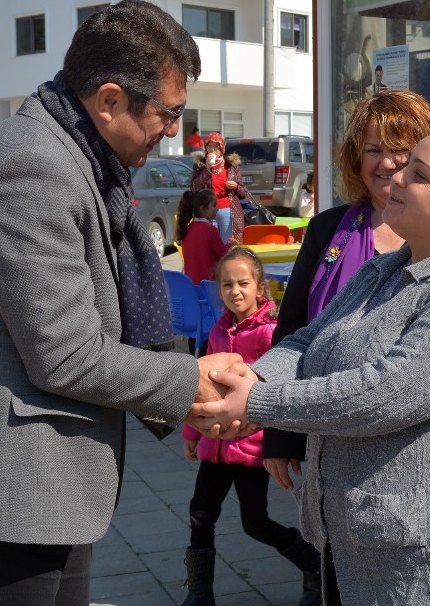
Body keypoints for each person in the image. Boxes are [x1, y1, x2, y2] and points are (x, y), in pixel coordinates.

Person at [0, 0, 242, 605]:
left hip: (46, 492)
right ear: (110, 100)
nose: (174, 131)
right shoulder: (32, 167)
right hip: (13, 497)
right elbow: (66, 355)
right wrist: (188, 377)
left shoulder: (76, 156)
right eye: (169, 113)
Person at [196, 121, 430, 603]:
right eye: (405, 165)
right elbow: (311, 338)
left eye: (420, 174)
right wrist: (255, 374)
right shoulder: (391, 265)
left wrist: (258, 400)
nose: (398, 177)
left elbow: (389, 391)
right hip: (375, 545)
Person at [262, 89, 430, 491]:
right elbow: (292, 330)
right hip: (331, 432)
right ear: (357, 157)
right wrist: (280, 432)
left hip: (416, 434)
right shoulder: (328, 230)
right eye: (375, 149)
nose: (388, 163)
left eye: (403, 150)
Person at [180, 247, 321, 606]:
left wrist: (277, 439)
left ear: (260, 287)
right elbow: (204, 391)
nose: (235, 291)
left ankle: (312, 564)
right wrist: (192, 434)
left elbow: (275, 388)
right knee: (200, 515)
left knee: (255, 523)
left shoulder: (270, 333)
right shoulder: (217, 329)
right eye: (227, 284)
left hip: (250, 448)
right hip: (215, 447)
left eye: (243, 283)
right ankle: (199, 593)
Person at [191, 131, 246, 243]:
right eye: (209, 146)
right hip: (207, 210)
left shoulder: (231, 166)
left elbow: (243, 192)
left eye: (216, 147)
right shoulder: (200, 165)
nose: (212, 150)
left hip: (228, 210)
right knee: (209, 243)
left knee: (227, 244)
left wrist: (235, 187)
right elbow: (194, 187)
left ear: (222, 148)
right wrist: (207, 169)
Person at [176, 188, 228, 285]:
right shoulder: (210, 229)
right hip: (209, 284)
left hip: (191, 285)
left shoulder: (187, 228)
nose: (217, 209)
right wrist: (230, 245)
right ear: (203, 208)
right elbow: (223, 255)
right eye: (214, 205)